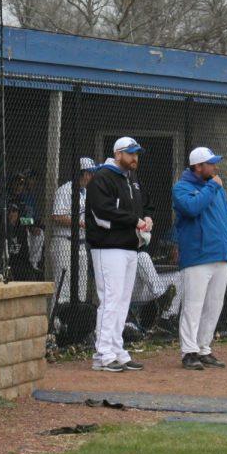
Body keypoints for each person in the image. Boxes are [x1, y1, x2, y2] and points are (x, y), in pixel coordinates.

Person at [85, 137, 153, 372]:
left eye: (137, 153)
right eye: (131, 153)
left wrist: (146, 218)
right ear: (118, 154)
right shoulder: (102, 176)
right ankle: (102, 354)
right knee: (111, 299)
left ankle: (117, 350)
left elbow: (141, 207)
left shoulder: (130, 179)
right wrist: (134, 220)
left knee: (123, 301)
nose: (135, 158)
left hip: (129, 246)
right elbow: (102, 210)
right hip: (108, 246)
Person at [172, 146, 227, 370]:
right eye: (210, 163)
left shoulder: (217, 188)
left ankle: (204, 348)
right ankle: (189, 352)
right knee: (193, 305)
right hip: (197, 256)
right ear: (198, 167)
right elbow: (192, 208)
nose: (215, 167)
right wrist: (211, 187)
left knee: (214, 305)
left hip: (220, 253)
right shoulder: (182, 188)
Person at [51, 157, 96, 304]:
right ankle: (56, 324)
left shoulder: (85, 192)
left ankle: (77, 323)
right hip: (64, 242)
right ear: (83, 173)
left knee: (81, 288)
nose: (92, 177)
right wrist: (82, 224)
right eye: (90, 173)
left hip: (81, 243)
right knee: (63, 288)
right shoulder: (65, 190)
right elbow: (57, 216)